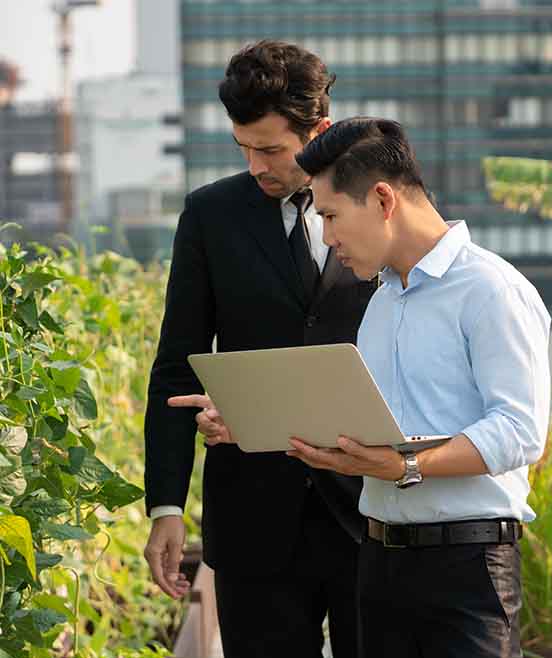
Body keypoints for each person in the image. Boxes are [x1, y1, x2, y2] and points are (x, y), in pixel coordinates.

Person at [143, 42, 378, 658]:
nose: (255, 165)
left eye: (271, 149)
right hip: (252, 519)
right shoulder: (208, 215)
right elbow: (176, 363)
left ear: (319, 130)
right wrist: (166, 504)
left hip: (371, 511)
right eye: (242, 147)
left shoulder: (380, 207)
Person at [288, 117, 551, 658]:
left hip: (470, 571)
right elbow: (378, 424)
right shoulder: (381, 302)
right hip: (380, 563)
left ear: (383, 199)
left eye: (332, 216)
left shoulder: (492, 290)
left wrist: (406, 467)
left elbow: (519, 431)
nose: (328, 237)